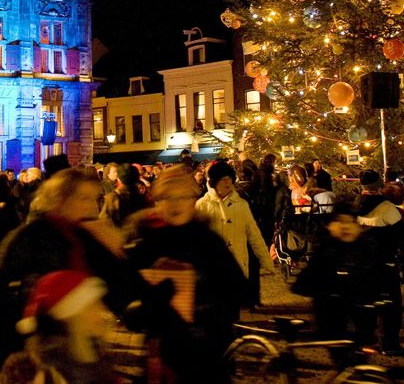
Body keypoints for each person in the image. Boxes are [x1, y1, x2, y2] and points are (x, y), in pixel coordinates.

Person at [0, 168, 144, 369]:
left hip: (82, 340)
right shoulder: (30, 236)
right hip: (42, 343)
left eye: (94, 199)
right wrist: (5, 349)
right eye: (84, 198)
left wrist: (138, 305)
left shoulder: (86, 236)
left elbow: (113, 279)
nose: (92, 206)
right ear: (61, 199)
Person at [125, 168, 244, 383]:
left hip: (208, 345)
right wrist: (150, 303)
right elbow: (128, 295)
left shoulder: (208, 240)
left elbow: (235, 287)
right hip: (164, 348)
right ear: (157, 200)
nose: (176, 204)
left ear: (192, 199)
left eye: (182, 197)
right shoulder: (145, 240)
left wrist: (211, 311)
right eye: (168, 197)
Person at [2, 271, 117, 384]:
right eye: (92, 306)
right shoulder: (46, 372)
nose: (103, 311)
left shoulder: (93, 347)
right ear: (72, 316)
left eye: (100, 303)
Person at [293, 206, 378, 346]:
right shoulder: (326, 247)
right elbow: (311, 275)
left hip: (359, 312)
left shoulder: (365, 247)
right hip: (331, 311)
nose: (345, 226)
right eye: (340, 221)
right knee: (336, 344)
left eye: (349, 222)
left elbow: (374, 274)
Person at [195, 161, 274, 310]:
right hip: (213, 267)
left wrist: (266, 260)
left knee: (233, 308)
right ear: (214, 182)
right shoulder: (202, 205)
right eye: (222, 179)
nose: (227, 182)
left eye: (229, 178)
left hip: (237, 265)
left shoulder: (241, 204)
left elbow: (254, 234)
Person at [354, 169, 404, 355]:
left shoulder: (353, 205)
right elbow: (401, 235)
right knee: (390, 303)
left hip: (361, 263)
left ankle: (365, 340)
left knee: (364, 301)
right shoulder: (387, 208)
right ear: (379, 185)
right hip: (384, 262)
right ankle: (389, 343)